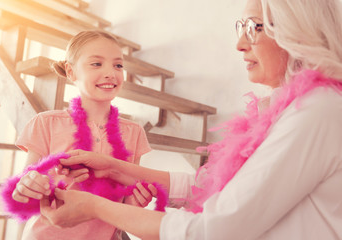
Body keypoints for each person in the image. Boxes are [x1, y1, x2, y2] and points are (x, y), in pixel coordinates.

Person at [40, 0, 342, 239]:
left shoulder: (317, 110)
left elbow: (212, 230)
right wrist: (116, 167)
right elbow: (207, 185)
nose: (239, 43)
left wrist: (95, 207)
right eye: (242, 27)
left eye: (255, 27)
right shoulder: (291, 109)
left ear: (298, 29)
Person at [10, 30, 155, 240]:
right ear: (71, 71)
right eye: (96, 64)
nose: (110, 73)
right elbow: (24, 195)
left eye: (118, 65)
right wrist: (33, 184)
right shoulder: (45, 123)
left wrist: (136, 202)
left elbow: (125, 206)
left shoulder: (134, 133)